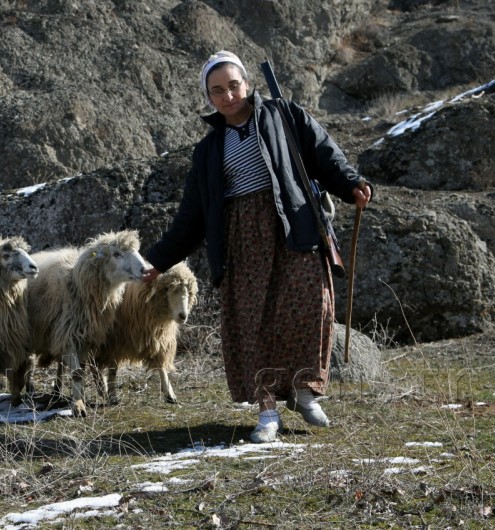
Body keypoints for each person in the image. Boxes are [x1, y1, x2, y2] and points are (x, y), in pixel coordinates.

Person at [143, 51, 372, 443]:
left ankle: (303, 391)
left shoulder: (285, 115)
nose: (228, 95)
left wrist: (351, 184)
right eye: (218, 91)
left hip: (293, 224)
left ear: (246, 84)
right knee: (253, 322)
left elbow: (324, 154)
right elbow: (192, 217)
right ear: (209, 98)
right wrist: (158, 261)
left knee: (309, 304)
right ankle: (267, 411)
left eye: (233, 85)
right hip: (242, 239)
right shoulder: (209, 150)